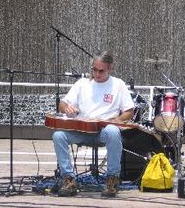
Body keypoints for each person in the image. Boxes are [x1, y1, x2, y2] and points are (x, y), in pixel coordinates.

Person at [52, 51, 134, 197]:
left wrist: (117, 120)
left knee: (113, 132)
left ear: (110, 68)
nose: (97, 74)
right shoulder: (82, 84)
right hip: (82, 130)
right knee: (58, 135)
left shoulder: (118, 84)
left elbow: (129, 111)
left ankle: (112, 180)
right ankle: (68, 180)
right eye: (94, 69)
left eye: (101, 71)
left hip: (104, 132)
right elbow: (62, 104)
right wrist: (67, 108)